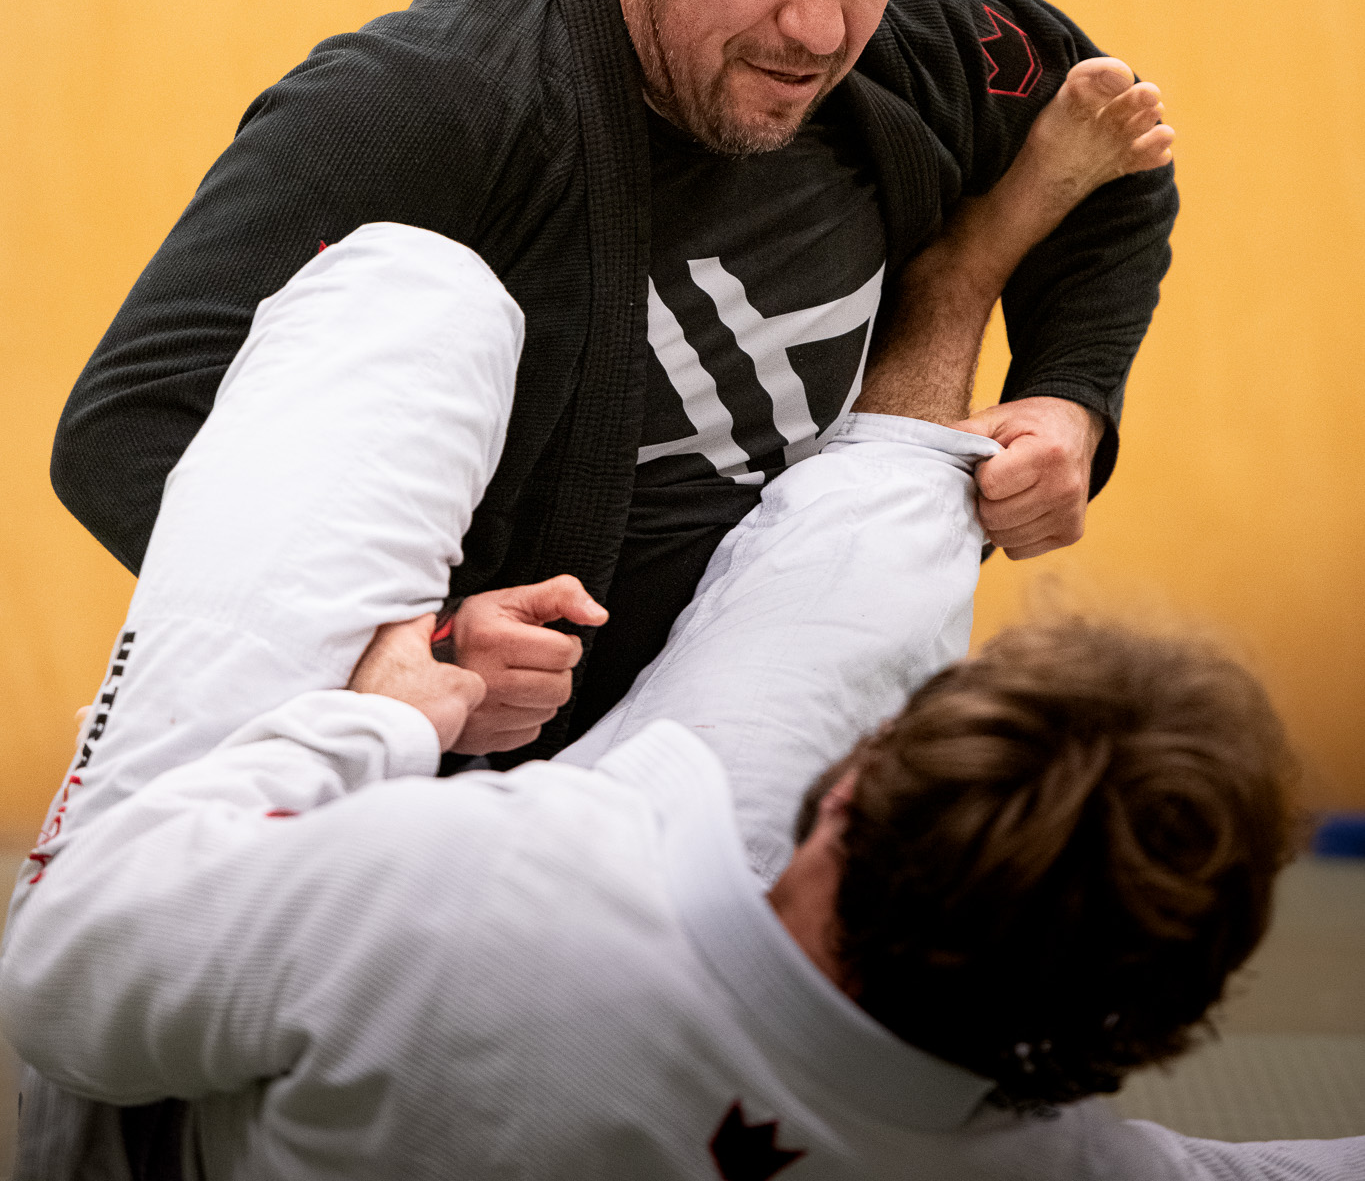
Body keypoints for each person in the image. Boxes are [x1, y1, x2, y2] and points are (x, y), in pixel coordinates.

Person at [4, 69, 1357, 1177]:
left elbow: (63, 981)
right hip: (774, 1014)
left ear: (847, 799)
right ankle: (952, 287)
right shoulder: (1059, 1166)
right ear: (1143, 1029)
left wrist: (373, 718)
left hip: (128, 1107)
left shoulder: (472, 894)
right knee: (872, 561)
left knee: (412, 292)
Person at [48, 0, 1179, 758]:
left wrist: (1069, 398)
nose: (822, 27)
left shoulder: (919, 34)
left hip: (802, 726)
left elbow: (1110, 158)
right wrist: (391, 646)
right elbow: (128, 424)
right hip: (495, 797)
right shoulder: (431, 104)